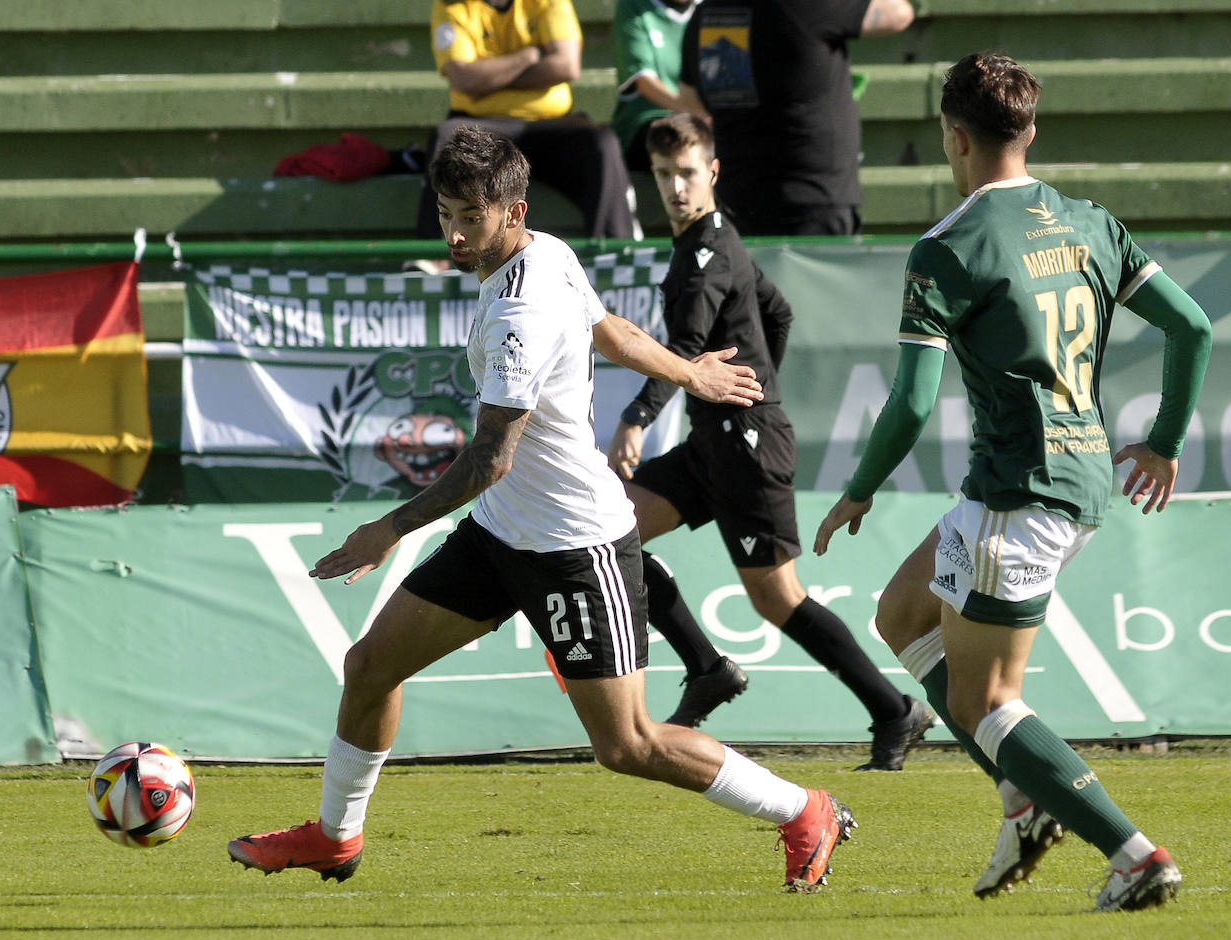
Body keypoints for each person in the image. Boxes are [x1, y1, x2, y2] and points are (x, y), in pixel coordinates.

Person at [229, 125, 855, 893]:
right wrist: (690, 371)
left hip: (571, 544)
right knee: (370, 665)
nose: (455, 232)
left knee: (626, 743)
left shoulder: (517, 313)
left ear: (514, 212)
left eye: (472, 217)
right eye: (445, 212)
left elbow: (491, 458)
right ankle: (335, 834)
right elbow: (613, 333)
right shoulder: (550, 252)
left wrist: (389, 528)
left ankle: (805, 809)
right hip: (502, 533)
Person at [813, 53, 1212, 911]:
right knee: (903, 613)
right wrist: (1166, 439)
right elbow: (1194, 326)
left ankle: (1134, 854)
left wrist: (858, 487)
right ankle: (1023, 801)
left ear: (953, 137)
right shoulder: (1089, 223)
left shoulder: (947, 246)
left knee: (987, 699)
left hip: (1016, 492)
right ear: (1029, 131)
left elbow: (913, 401)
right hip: (1079, 477)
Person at [607, 113, 934, 770]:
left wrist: (639, 415)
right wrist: (756, 384)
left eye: (688, 173)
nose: (676, 186)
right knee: (609, 530)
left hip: (746, 447)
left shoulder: (705, 254)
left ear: (713, 172)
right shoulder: (720, 235)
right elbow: (776, 309)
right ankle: (707, 667)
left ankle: (895, 710)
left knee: (777, 597)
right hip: (717, 440)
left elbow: (687, 352)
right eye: (666, 174)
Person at [678, 0, 915, 236]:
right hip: (812, 200)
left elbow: (688, 98)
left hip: (735, 199)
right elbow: (899, 13)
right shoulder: (807, 5)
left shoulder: (706, 15)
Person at [418, 0, 636, 240]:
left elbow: (566, 66)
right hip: (483, 129)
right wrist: (528, 55)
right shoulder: (452, 5)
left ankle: (614, 252)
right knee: (447, 137)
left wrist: (488, 79)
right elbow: (464, 79)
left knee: (602, 143)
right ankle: (435, 256)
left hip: (552, 125)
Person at [611, 0, 708, 173]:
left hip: (705, 118)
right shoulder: (633, 6)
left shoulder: (713, 9)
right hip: (647, 120)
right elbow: (644, 81)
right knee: (676, 139)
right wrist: (698, 115)